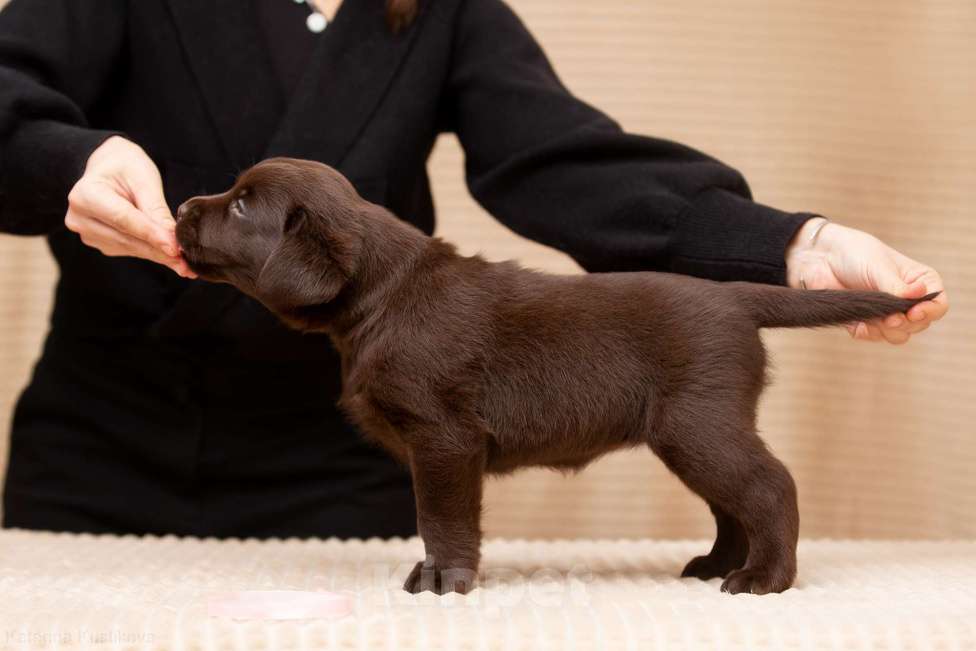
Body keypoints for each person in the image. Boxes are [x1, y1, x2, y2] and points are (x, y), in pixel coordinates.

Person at [0, 0, 947, 539]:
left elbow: (561, 159)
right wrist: (64, 161)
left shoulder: (436, 7)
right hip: (104, 451)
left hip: (350, 465)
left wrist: (791, 245)